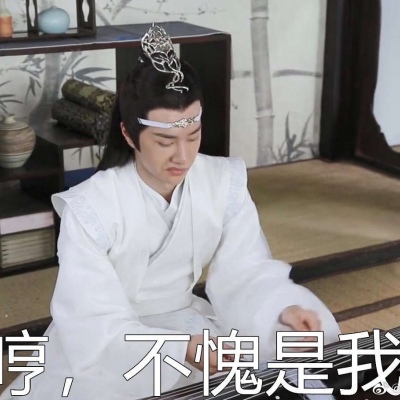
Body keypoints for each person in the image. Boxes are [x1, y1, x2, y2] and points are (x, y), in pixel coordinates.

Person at [0, 24, 340, 400]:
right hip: (113, 340)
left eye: (192, 136)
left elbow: (245, 271)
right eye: (165, 141)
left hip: (191, 325)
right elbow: (90, 315)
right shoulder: (91, 206)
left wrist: (281, 309)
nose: (183, 156)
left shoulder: (221, 181)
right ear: (128, 134)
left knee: (283, 367)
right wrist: (178, 348)